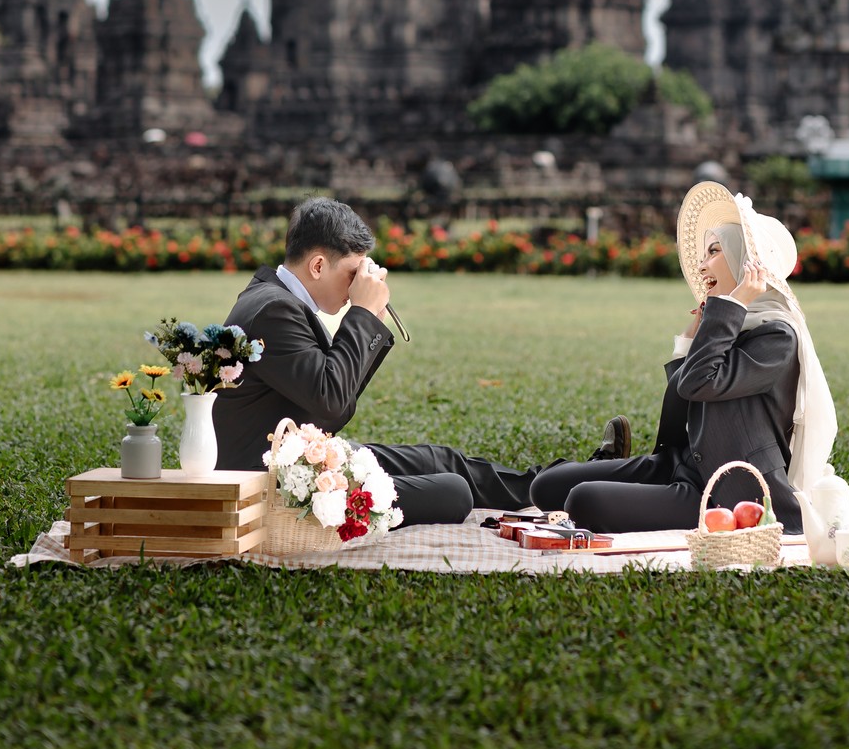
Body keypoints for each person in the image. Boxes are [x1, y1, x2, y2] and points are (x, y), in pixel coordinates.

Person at [213, 196, 630, 526]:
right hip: (277, 482)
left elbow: (331, 398)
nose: (358, 284)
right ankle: (585, 483)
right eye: (353, 272)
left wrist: (368, 319)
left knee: (443, 460)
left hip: (306, 458)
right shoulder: (273, 310)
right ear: (318, 265)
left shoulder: (275, 298)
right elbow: (332, 401)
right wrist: (362, 314)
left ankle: (580, 479)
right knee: (452, 491)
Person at [529, 182, 837, 532]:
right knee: (546, 486)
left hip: (722, 490)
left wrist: (730, 307)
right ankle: (606, 466)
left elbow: (698, 383)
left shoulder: (777, 338)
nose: (703, 266)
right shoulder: (729, 326)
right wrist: (695, 336)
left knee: (584, 501)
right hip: (678, 464)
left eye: (714, 252)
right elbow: (684, 395)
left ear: (745, 262)